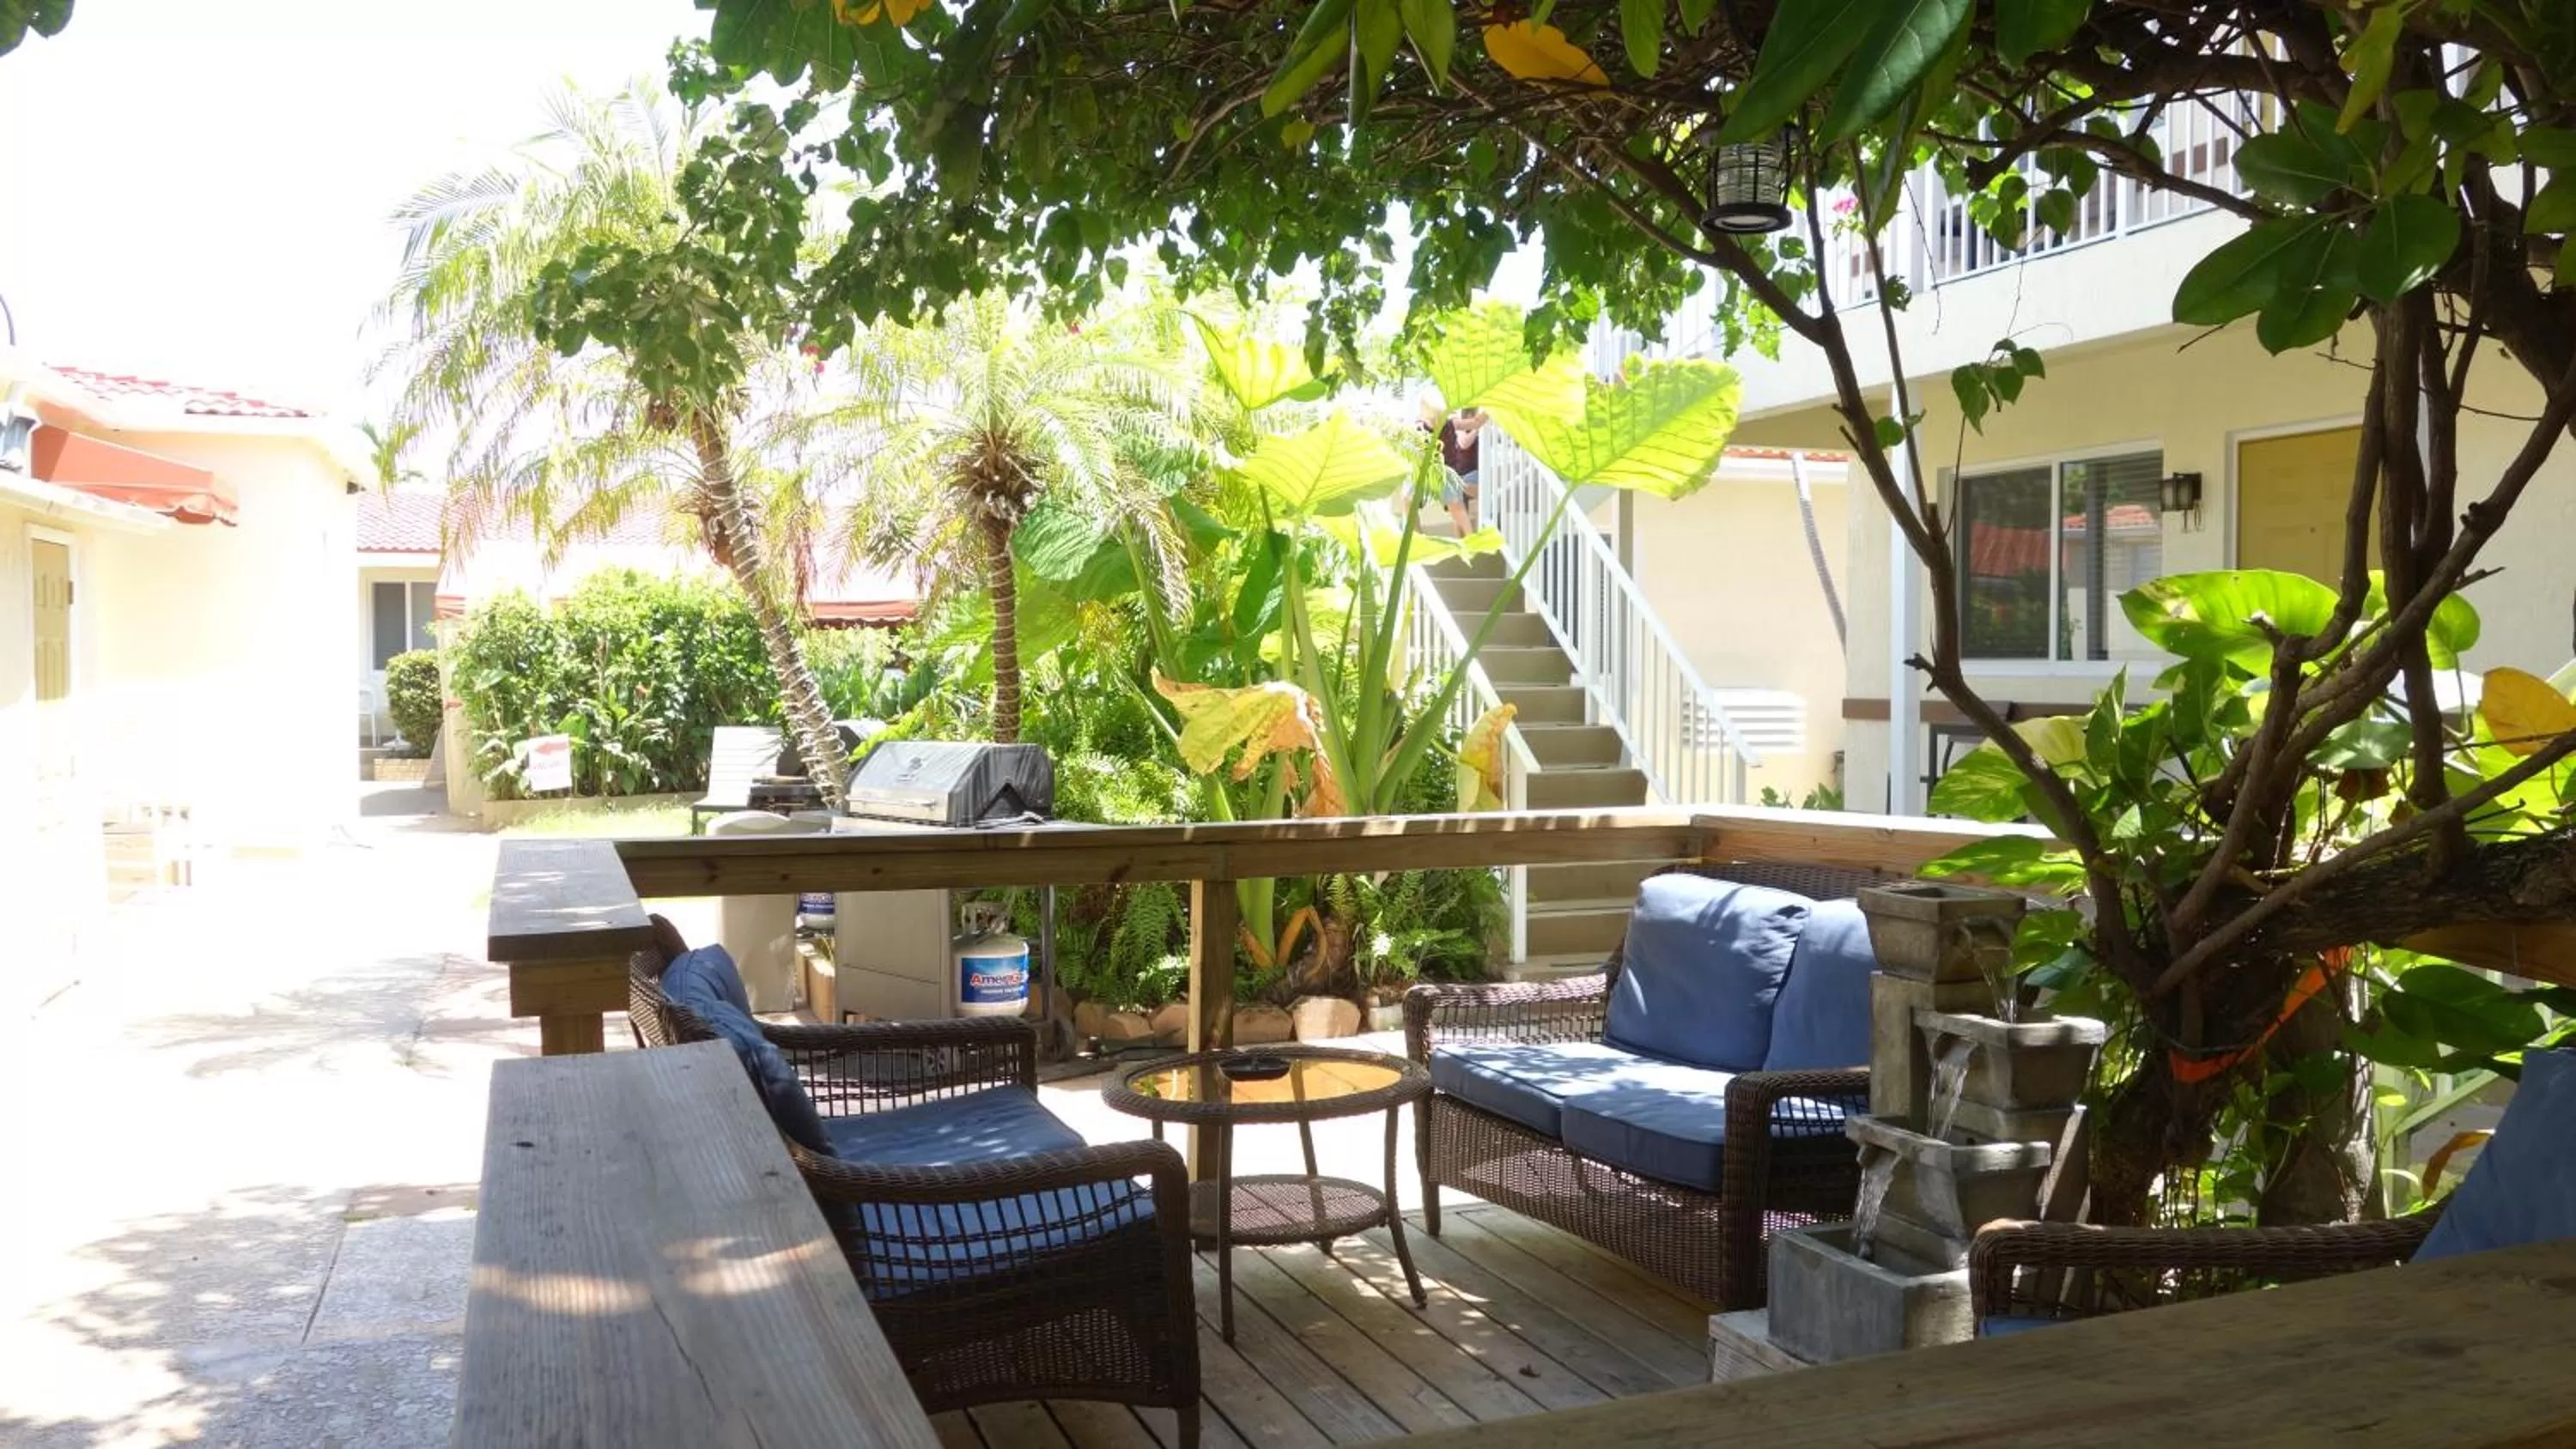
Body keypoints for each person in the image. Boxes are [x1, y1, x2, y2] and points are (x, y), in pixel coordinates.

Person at [1437, 407, 1485, 536]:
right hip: (1458, 473)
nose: (1471, 419)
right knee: (1458, 508)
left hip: (1472, 472)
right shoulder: (1457, 429)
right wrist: (1476, 428)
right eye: (1468, 416)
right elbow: (1464, 443)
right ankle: (1463, 542)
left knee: (1463, 490)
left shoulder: (1479, 433)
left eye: (1473, 416)